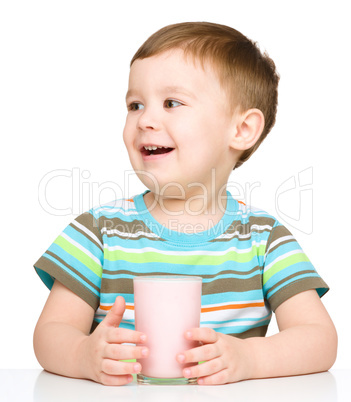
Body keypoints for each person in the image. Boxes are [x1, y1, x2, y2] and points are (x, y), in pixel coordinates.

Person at [33, 22, 337, 386]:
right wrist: (83, 356)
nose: (145, 119)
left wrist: (250, 358)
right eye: (135, 105)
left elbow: (320, 340)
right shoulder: (99, 231)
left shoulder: (262, 239)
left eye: (171, 103)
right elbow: (50, 333)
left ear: (241, 130)